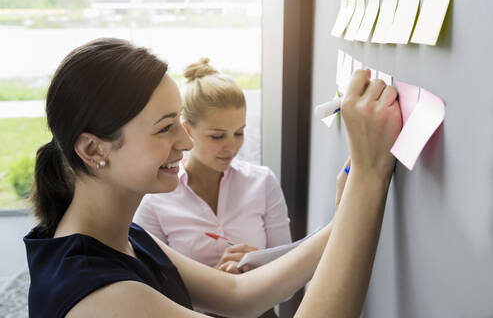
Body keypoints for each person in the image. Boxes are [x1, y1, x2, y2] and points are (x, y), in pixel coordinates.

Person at [24, 38, 402, 318]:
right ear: (93, 151)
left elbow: (239, 293)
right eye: (165, 129)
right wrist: (369, 176)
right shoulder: (103, 299)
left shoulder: (123, 238)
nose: (186, 142)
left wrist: (344, 218)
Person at [134, 58, 291, 278]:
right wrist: (217, 282)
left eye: (239, 133)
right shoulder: (154, 200)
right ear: (186, 130)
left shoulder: (263, 182)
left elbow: (289, 285)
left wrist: (261, 271)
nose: (232, 146)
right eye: (217, 136)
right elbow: (154, 291)